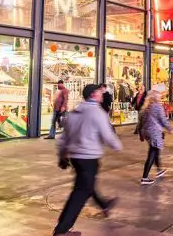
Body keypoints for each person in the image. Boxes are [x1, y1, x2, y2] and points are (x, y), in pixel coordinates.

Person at [53, 84, 122, 236]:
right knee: (80, 193)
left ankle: (102, 205)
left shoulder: (74, 112)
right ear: (93, 95)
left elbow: (64, 137)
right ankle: (61, 230)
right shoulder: (97, 113)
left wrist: (62, 155)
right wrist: (117, 146)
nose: (101, 94)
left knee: (82, 189)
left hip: (76, 158)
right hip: (89, 158)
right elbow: (107, 135)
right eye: (99, 92)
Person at [139, 88, 173, 185]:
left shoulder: (146, 107)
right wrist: (170, 129)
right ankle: (144, 177)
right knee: (153, 152)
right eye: (159, 96)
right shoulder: (157, 106)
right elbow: (163, 120)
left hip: (147, 132)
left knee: (155, 150)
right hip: (154, 132)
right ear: (155, 97)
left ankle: (159, 170)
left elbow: (141, 121)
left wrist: (141, 133)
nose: (160, 97)